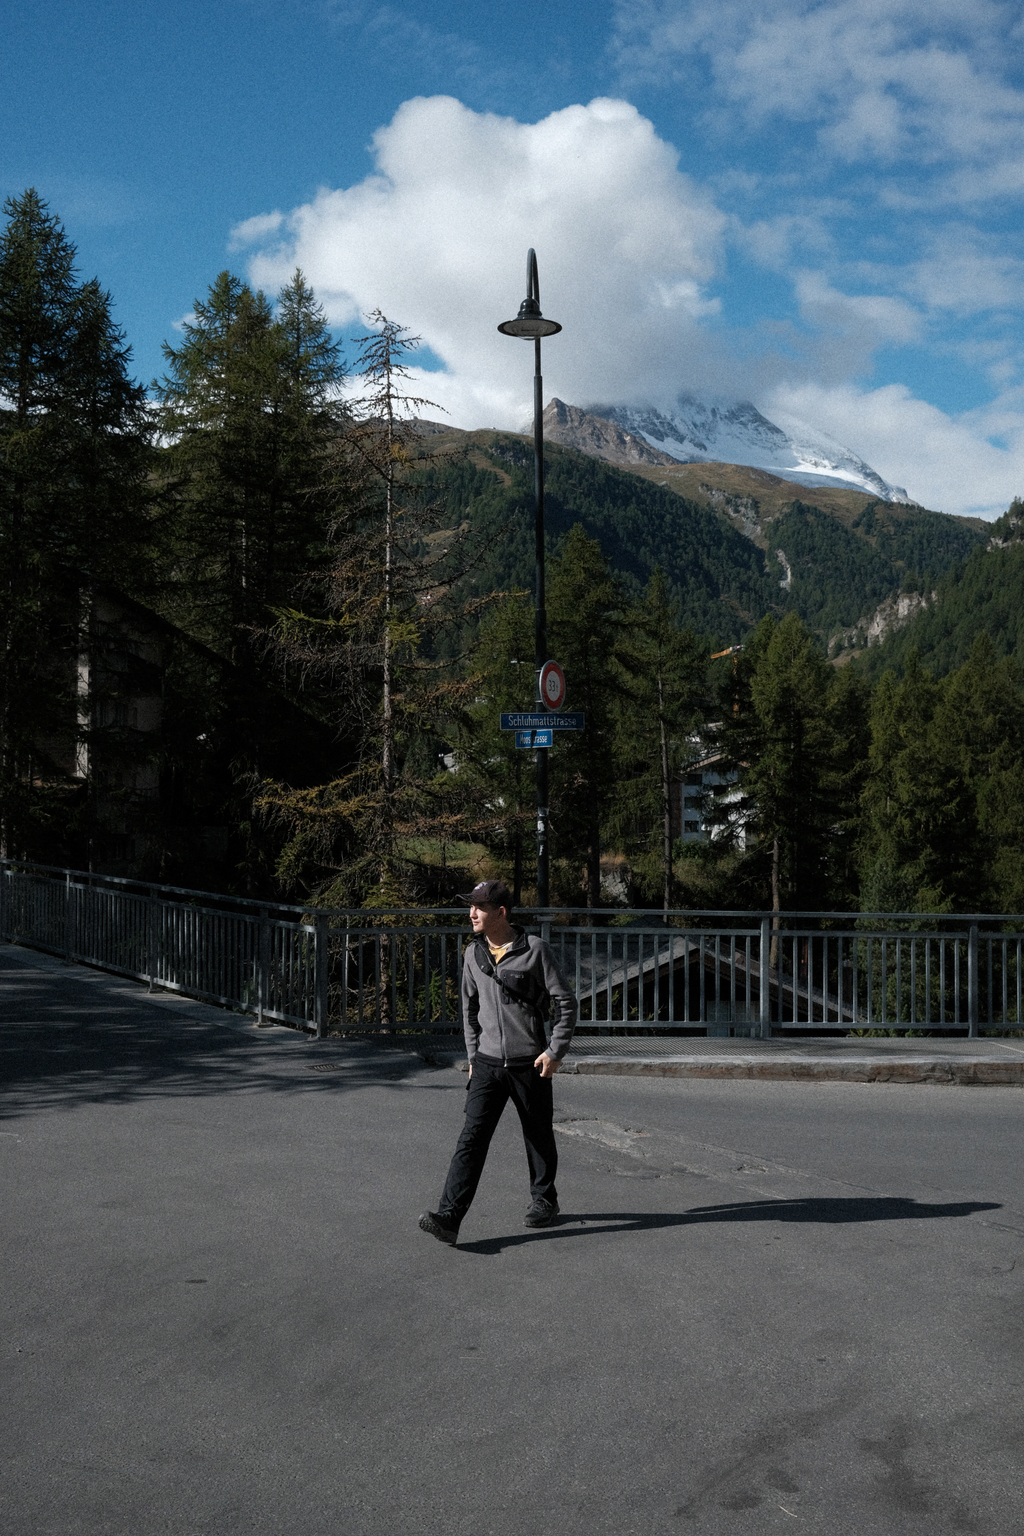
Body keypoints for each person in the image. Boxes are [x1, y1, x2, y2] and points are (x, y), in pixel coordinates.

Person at [418, 879, 578, 1246]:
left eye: (479, 907)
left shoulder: (535, 950)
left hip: (529, 1062)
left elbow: (566, 1003)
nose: (471, 913)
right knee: (471, 1140)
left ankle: (544, 1200)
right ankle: (449, 1218)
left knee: (537, 1135)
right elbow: (468, 1010)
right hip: (488, 1064)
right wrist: (473, 1056)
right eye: (470, 907)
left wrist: (555, 1051)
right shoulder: (472, 956)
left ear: (500, 912)